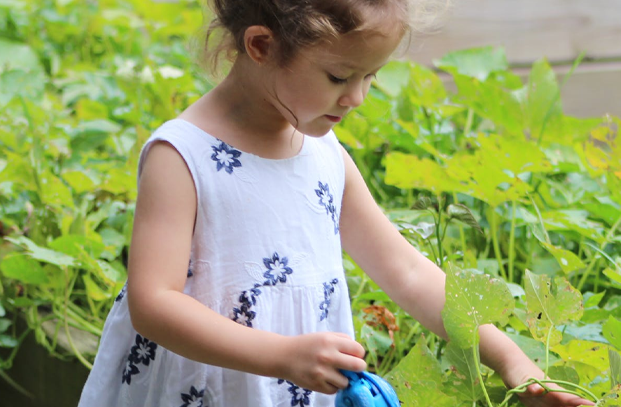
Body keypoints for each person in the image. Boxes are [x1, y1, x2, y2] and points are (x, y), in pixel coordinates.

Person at [78, 1, 593, 406]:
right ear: (261, 45)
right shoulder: (184, 156)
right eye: (339, 77)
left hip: (297, 390)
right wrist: (280, 355)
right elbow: (154, 303)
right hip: (208, 389)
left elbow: (408, 274)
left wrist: (508, 357)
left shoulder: (325, 155)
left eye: (372, 76)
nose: (358, 97)